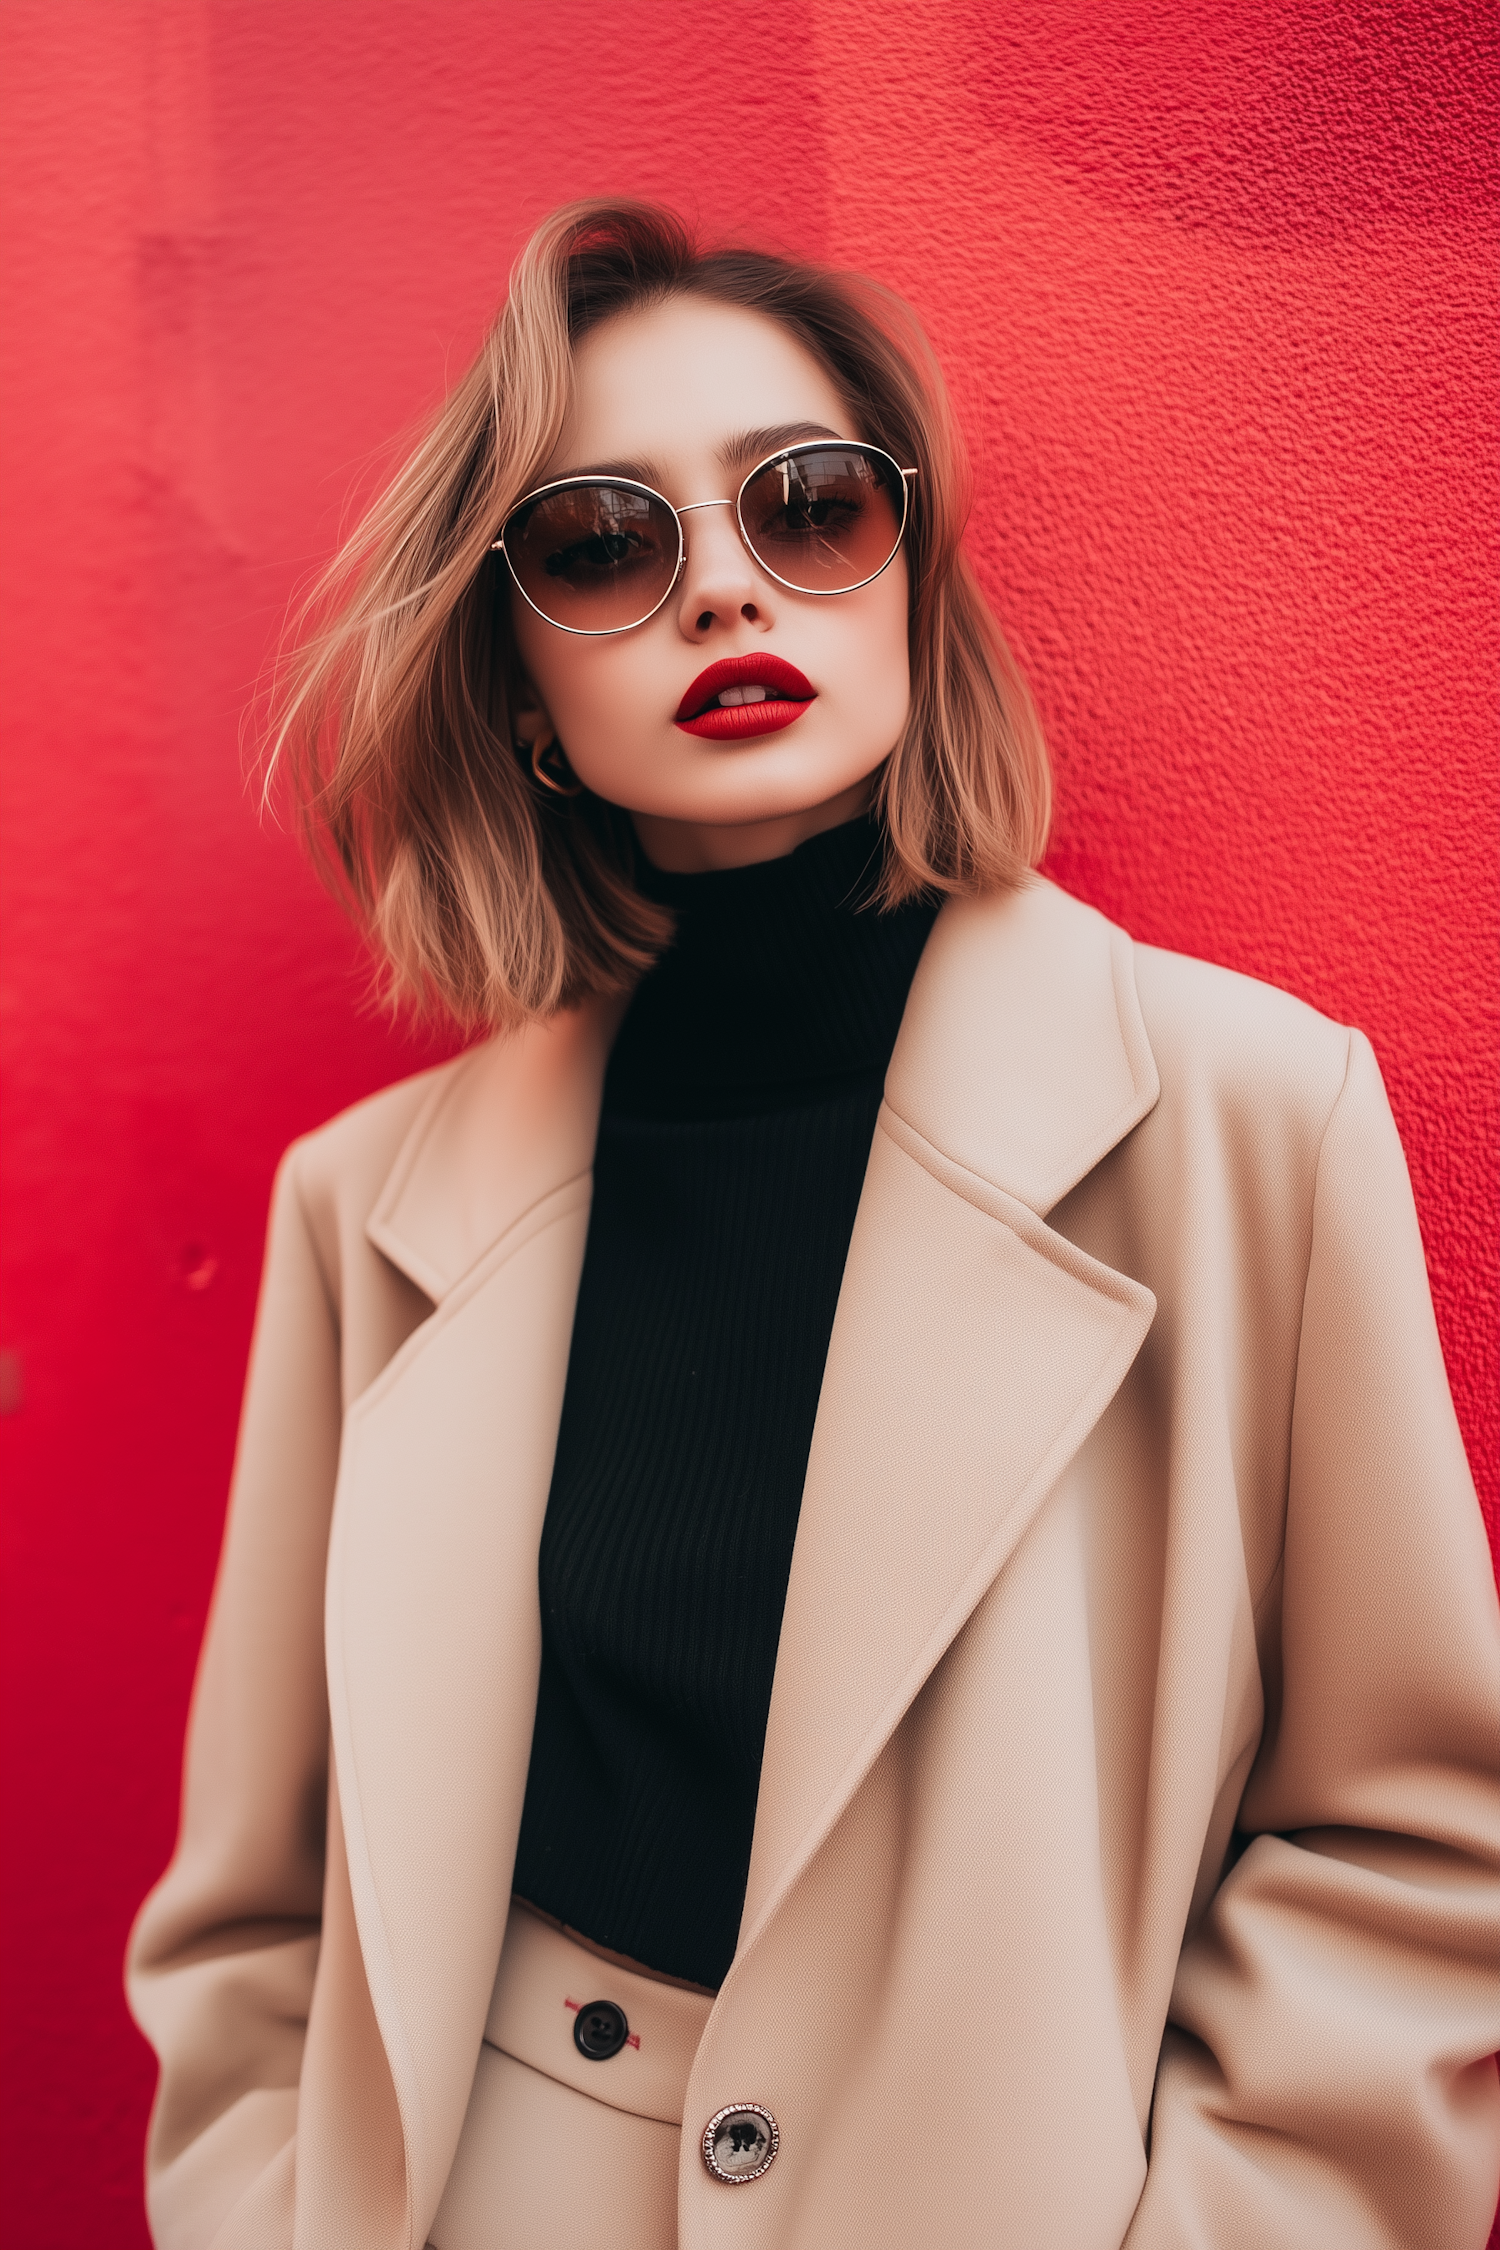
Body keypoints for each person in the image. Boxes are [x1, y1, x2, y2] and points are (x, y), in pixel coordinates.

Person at [126, 199, 1500, 2250]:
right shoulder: (369, 1212)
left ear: (913, 584)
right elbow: (257, 1919)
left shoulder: (1245, 1115)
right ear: (512, 672)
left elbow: (1411, 1846)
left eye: (810, 506)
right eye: (603, 540)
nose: (721, 591)